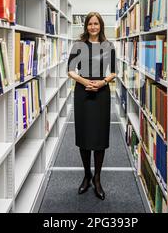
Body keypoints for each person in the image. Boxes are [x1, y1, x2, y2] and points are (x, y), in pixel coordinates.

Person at [67, 12, 116, 200]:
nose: (93, 27)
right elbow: (70, 71)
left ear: (101, 26)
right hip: (83, 93)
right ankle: (86, 175)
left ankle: (97, 178)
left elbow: (113, 72)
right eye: (90, 24)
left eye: (96, 24)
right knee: (85, 136)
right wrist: (85, 81)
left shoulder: (108, 46)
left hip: (102, 93)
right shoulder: (78, 45)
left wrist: (102, 82)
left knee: (100, 137)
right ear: (85, 26)